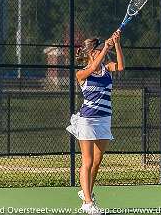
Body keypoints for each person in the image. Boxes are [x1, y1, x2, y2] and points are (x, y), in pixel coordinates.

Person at [66, 31, 124, 214]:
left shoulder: (107, 69)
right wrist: (106, 48)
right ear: (90, 54)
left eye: (100, 49)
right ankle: (88, 203)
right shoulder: (82, 73)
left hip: (104, 119)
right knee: (88, 161)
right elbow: (93, 68)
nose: (99, 52)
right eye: (96, 50)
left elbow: (121, 66)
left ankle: (86, 192)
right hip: (87, 121)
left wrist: (116, 44)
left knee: (97, 161)